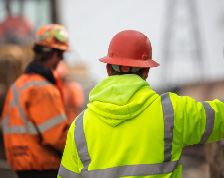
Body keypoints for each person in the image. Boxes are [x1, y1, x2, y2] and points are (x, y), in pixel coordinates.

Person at [57, 30, 224, 178]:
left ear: (108, 69)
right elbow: (219, 118)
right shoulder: (171, 112)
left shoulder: (79, 127)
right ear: (146, 71)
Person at [1, 24, 70, 178]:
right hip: (44, 167)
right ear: (56, 55)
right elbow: (57, 137)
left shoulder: (18, 85)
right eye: (62, 55)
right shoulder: (43, 88)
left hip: (21, 165)